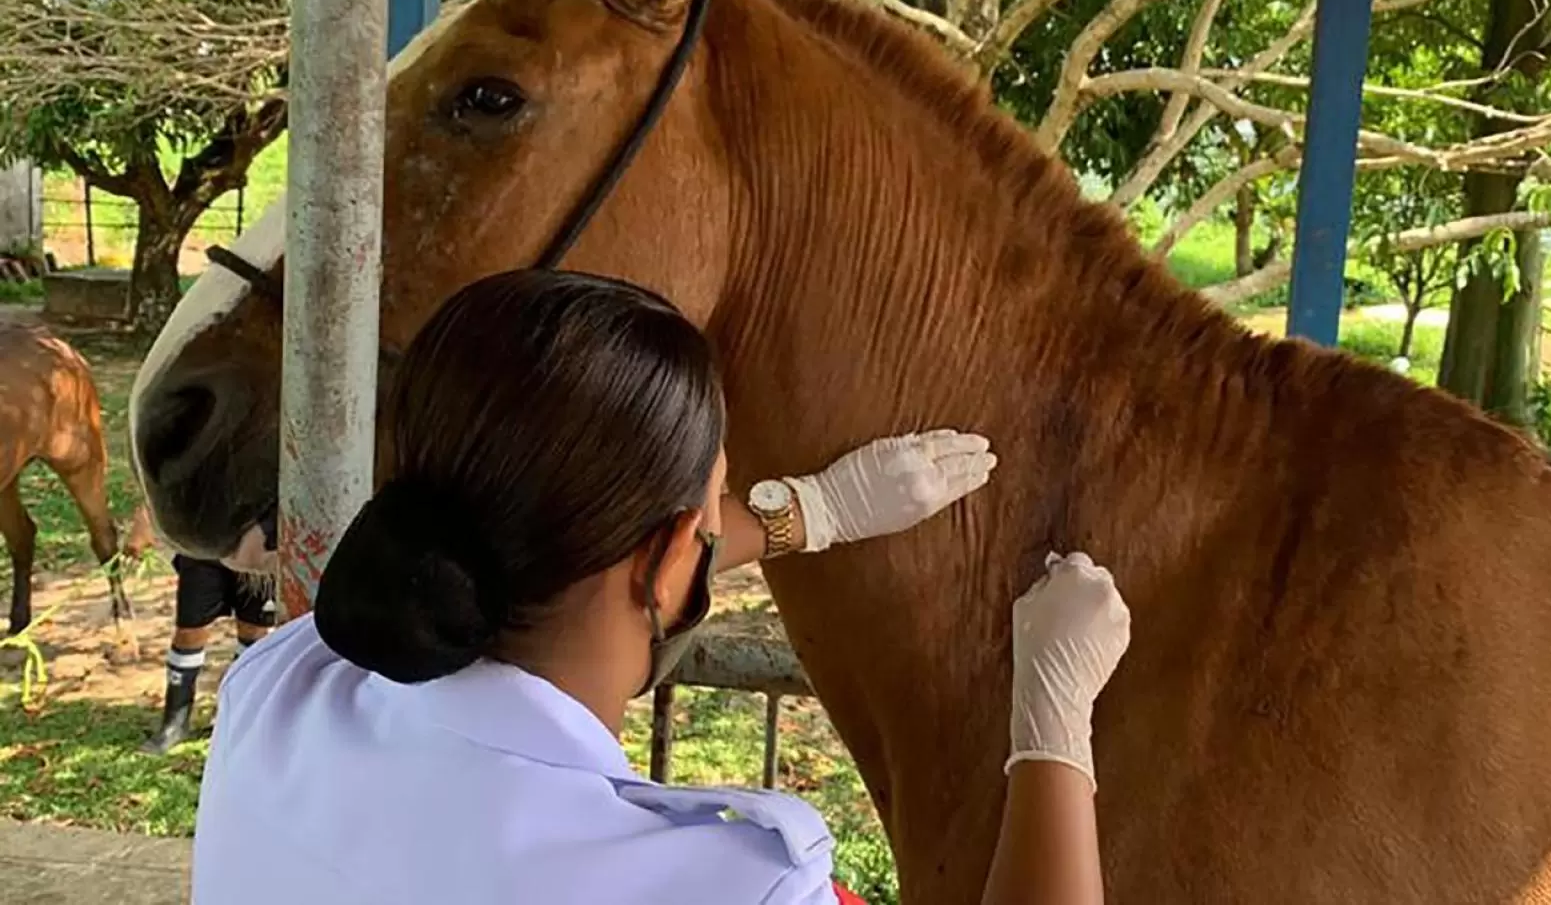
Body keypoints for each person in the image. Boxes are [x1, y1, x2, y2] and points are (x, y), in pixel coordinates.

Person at [191, 270, 1131, 905]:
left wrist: (807, 513)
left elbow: (566, 549)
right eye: (713, 501)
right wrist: (1053, 721)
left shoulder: (279, 693)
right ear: (669, 553)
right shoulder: (729, 886)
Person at [140, 522, 277, 754]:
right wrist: (141, 522)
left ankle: (230, 716)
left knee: (254, 632)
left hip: (262, 541)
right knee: (190, 630)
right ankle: (175, 723)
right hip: (205, 542)